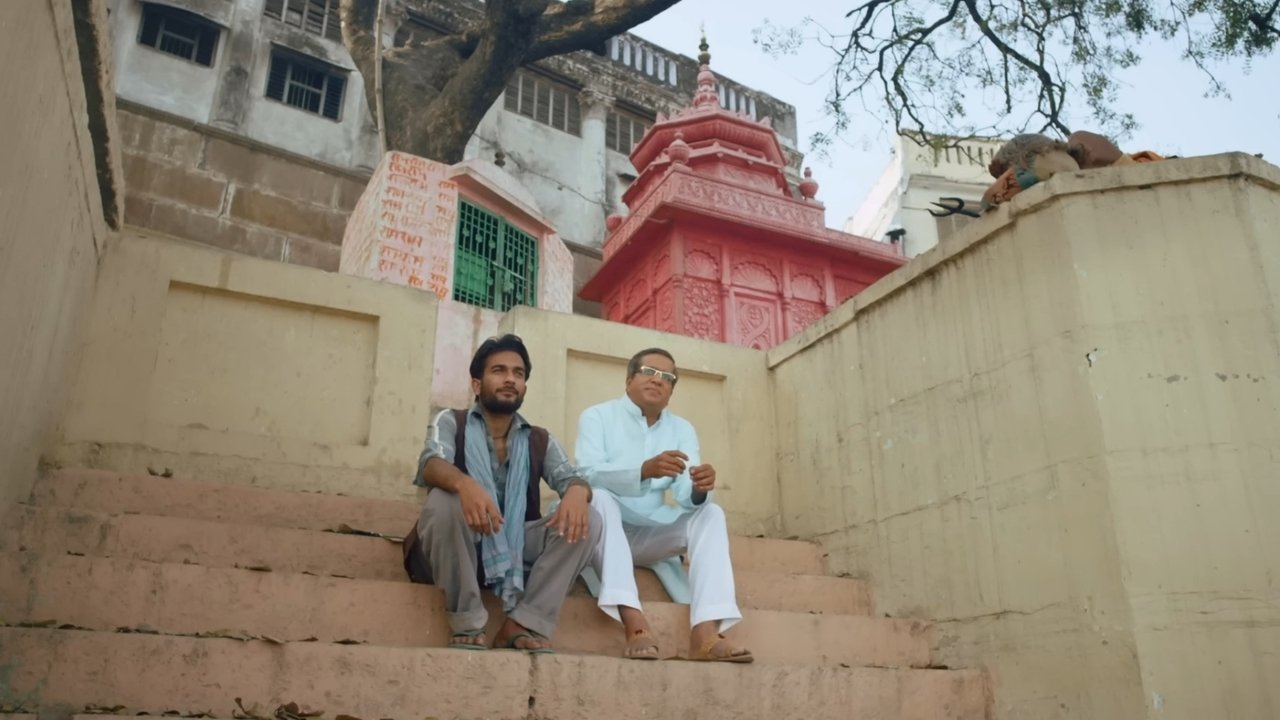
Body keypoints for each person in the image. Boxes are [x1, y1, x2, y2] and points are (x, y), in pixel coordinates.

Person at [404, 334, 599, 654]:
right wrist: (464, 484)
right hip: (457, 547)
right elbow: (431, 464)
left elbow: (570, 477)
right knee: (443, 500)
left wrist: (578, 492)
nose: (510, 379)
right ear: (477, 384)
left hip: (517, 551)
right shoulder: (451, 421)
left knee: (590, 515)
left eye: (518, 374)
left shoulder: (539, 439)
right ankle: (466, 620)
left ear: (524, 387)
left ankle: (524, 622)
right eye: (499, 370)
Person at [575, 347, 753, 663]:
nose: (658, 381)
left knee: (711, 512)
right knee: (598, 497)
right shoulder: (597, 416)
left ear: (671, 391)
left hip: (653, 533)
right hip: (603, 529)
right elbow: (587, 474)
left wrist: (699, 488)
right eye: (649, 372)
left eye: (667, 377)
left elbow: (685, 491)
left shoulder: (681, 429)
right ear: (629, 380)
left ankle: (705, 633)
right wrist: (643, 471)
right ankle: (635, 623)